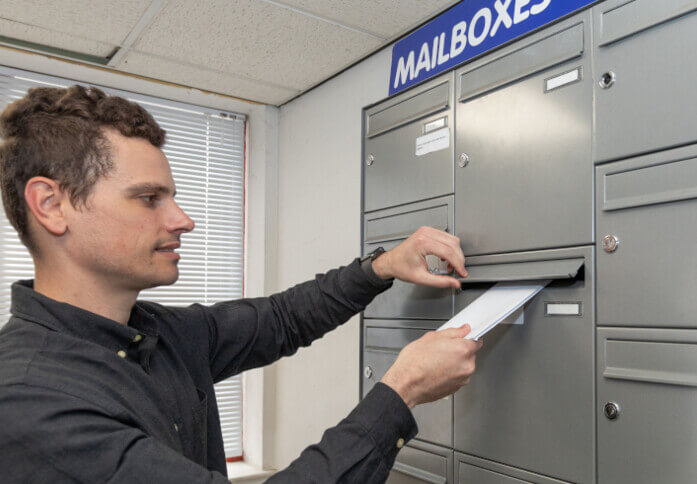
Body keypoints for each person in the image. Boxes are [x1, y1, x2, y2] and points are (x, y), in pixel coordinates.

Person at [0, 85, 482, 483]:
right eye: (148, 198)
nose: (183, 220)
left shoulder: (157, 334)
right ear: (51, 205)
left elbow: (283, 319)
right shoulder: (32, 403)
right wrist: (402, 392)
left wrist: (382, 267)